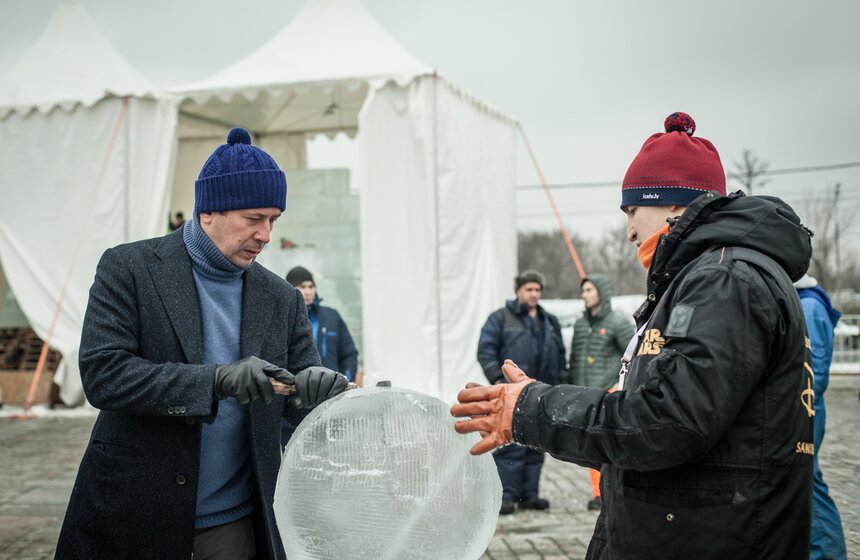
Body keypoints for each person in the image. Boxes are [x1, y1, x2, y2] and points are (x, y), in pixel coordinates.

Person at [453, 112, 814, 558]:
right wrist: (538, 414)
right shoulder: (707, 277)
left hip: (709, 538)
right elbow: (650, 434)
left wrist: (533, 409)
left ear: (673, 203)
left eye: (632, 210)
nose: (628, 230)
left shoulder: (724, 281)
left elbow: (666, 425)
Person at [56, 128, 348, 560]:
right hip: (134, 514)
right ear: (208, 211)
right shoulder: (130, 268)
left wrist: (317, 388)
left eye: (273, 220)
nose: (266, 235)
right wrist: (215, 380)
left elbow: (301, 392)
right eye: (254, 219)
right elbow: (104, 375)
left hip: (234, 524)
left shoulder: (281, 298)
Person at [476, 269, 566, 515]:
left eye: (537, 290)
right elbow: (485, 350)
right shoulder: (500, 319)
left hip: (543, 391)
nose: (534, 294)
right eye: (529, 289)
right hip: (512, 393)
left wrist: (560, 384)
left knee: (538, 444)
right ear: (518, 291)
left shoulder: (549, 321)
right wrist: (497, 378)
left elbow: (559, 355)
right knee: (511, 445)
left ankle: (530, 495)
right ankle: (505, 496)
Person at [569, 274, 634, 511]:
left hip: (606, 393)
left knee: (606, 447)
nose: (584, 295)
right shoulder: (580, 324)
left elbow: (633, 355)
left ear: (601, 292)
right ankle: (598, 492)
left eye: (588, 290)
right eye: (583, 291)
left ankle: (605, 493)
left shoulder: (618, 322)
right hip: (584, 394)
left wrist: (619, 386)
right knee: (590, 447)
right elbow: (575, 359)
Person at [795, 274, 847, 560]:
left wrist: (800, 405)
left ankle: (827, 552)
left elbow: (816, 370)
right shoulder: (808, 302)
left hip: (806, 405)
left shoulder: (810, 308)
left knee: (809, 482)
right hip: (806, 404)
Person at [285, 266, 358, 382]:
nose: (308, 292)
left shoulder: (332, 317)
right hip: (296, 390)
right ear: (290, 288)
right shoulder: (283, 319)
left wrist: (346, 379)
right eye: (302, 287)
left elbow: (348, 354)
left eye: (311, 286)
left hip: (332, 390)